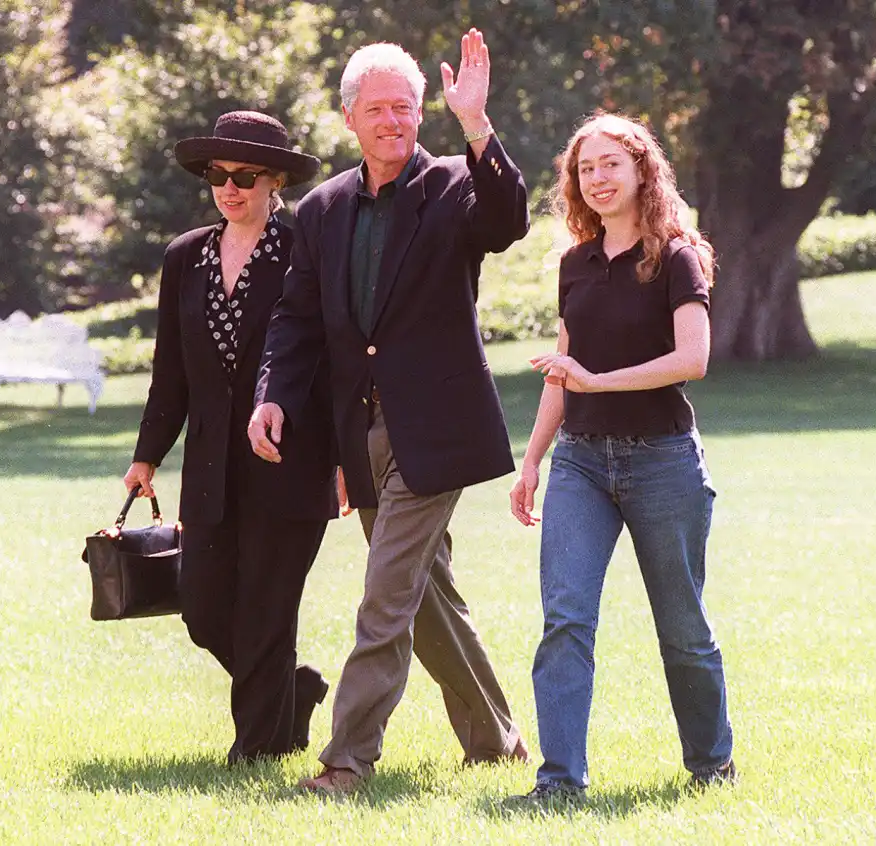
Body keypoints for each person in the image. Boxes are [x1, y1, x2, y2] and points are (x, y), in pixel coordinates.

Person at [248, 30, 529, 794]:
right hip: (360, 434)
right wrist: (273, 395)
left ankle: (346, 762)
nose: (394, 121)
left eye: (406, 108)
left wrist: (476, 124)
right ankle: (497, 741)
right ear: (349, 119)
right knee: (424, 594)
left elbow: (507, 220)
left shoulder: (454, 187)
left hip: (437, 432)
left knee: (385, 592)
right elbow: (297, 320)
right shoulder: (322, 209)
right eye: (378, 109)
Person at [508, 112, 735, 804]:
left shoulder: (675, 257)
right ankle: (559, 784)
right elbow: (562, 368)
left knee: (682, 627)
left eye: (611, 164)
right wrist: (532, 459)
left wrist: (600, 382)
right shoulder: (576, 264)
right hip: (581, 462)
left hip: (662, 461)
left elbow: (691, 359)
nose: (598, 178)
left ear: (642, 171)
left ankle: (711, 766)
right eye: (586, 168)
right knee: (566, 619)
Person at [124, 110, 337, 765]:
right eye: (217, 174)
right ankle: (290, 692)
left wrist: (343, 459)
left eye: (245, 176)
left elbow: (332, 360)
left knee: (269, 607)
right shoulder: (184, 257)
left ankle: (257, 747)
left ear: (275, 181)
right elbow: (171, 369)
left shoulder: (307, 246)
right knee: (204, 607)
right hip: (211, 468)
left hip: (290, 462)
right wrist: (146, 456)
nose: (229, 187)